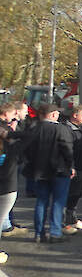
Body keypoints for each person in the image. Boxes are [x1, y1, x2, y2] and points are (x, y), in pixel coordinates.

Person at [23, 103, 75, 243]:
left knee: (41, 202)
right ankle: (55, 233)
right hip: (59, 171)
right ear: (53, 114)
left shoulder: (34, 128)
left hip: (39, 171)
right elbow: (67, 150)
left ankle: (39, 233)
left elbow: (26, 150)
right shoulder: (61, 129)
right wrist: (70, 166)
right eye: (57, 113)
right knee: (58, 202)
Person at [1, 102, 30, 239]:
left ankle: (7, 224)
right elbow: (27, 137)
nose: (15, 117)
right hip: (7, 176)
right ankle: (6, 225)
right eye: (13, 114)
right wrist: (12, 133)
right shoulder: (7, 134)